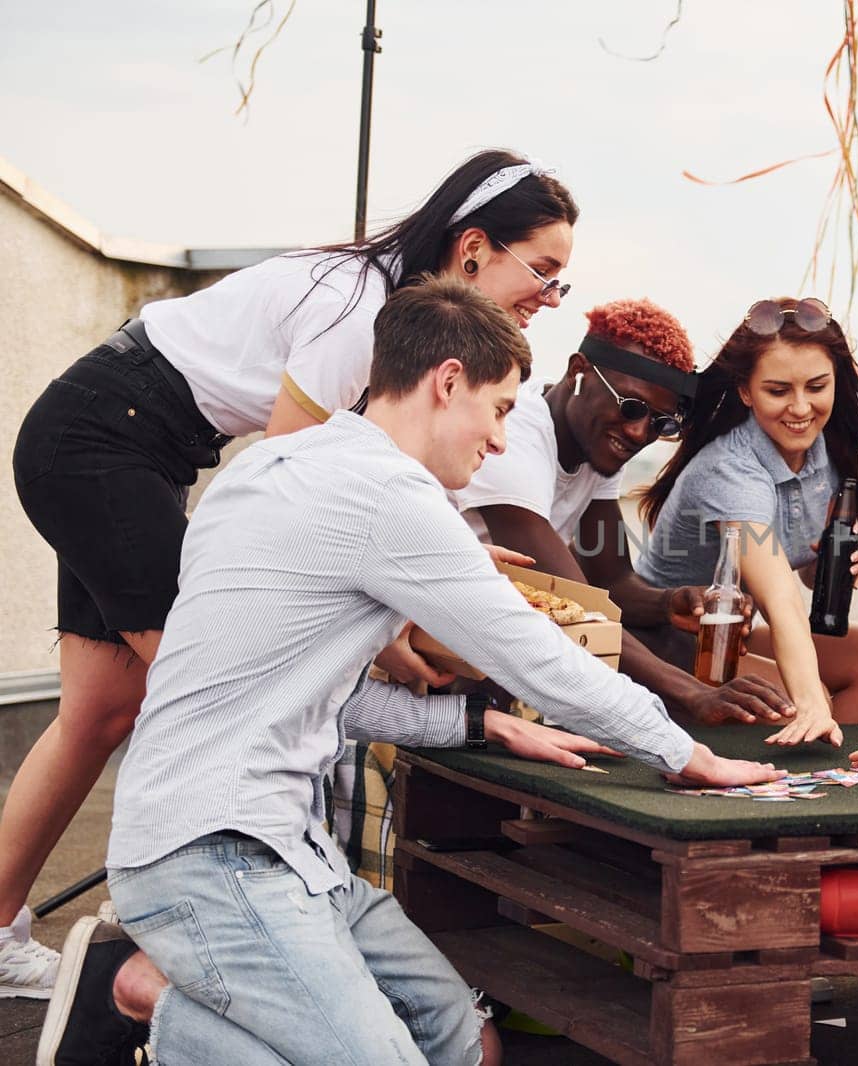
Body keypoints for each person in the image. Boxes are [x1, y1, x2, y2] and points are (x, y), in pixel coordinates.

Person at [35, 277, 782, 1066]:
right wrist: (683, 751)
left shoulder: (264, 468)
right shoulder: (388, 495)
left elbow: (313, 692)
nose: (500, 440)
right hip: (213, 856)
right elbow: (535, 653)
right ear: (448, 381)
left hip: (293, 854)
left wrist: (472, 722)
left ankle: (164, 998)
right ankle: (155, 1012)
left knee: (466, 1044)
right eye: (498, 409)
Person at [1, 148, 581, 997]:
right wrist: (397, 608)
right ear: (473, 249)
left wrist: (427, 566)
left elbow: (356, 493)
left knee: (100, 712)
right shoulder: (363, 311)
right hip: (103, 440)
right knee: (225, 688)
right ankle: (186, 945)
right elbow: (293, 496)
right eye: (545, 270)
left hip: (119, 443)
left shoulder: (400, 316)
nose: (550, 296)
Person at [454, 297, 793, 728]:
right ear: (579, 371)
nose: (638, 432)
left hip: (498, 637)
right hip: (434, 647)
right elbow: (578, 607)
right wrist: (694, 694)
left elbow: (611, 579)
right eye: (630, 407)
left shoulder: (597, 446)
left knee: (669, 643)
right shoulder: (516, 435)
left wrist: (671, 601)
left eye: (661, 423)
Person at [637, 297, 858, 745]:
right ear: (746, 391)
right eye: (778, 391)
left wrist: (825, 565)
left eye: (817, 387)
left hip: (735, 641)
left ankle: (832, 788)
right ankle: (795, 781)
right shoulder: (731, 468)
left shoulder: (829, 451)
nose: (801, 408)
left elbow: (798, 574)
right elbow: (779, 597)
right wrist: (812, 704)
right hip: (669, 644)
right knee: (803, 697)